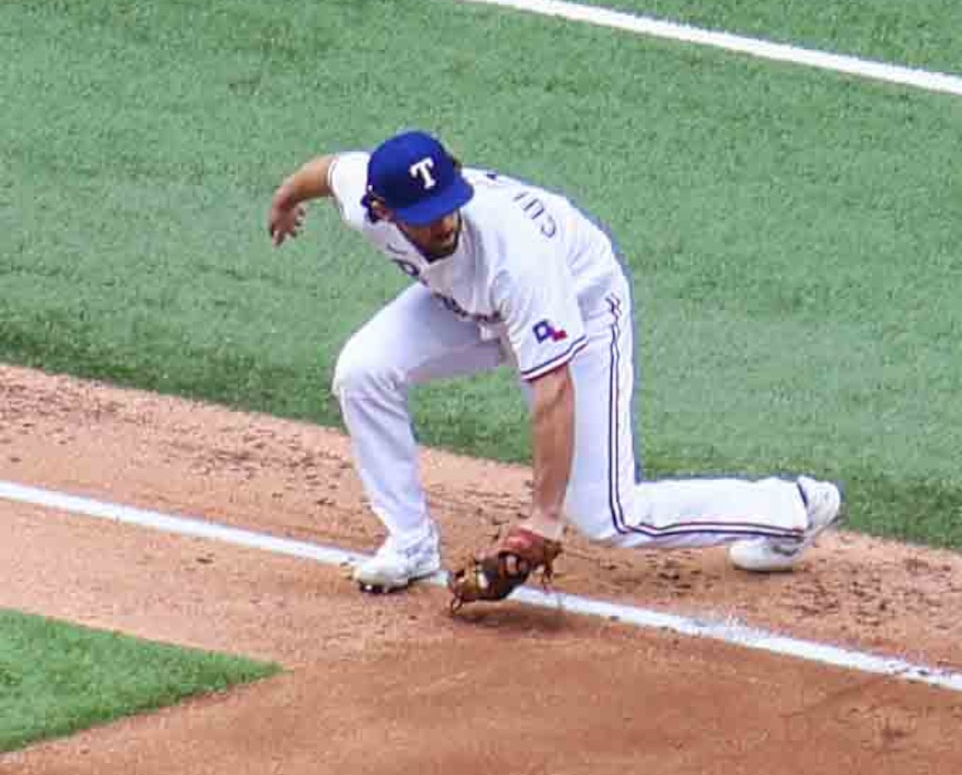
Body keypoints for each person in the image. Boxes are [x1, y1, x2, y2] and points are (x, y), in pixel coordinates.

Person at [265, 131, 843, 593]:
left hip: (581, 304)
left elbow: (551, 391)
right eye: (425, 213)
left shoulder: (515, 255)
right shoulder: (365, 201)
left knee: (607, 516)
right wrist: (287, 198)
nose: (442, 221)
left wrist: (543, 516)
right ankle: (411, 543)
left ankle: (793, 509)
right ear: (383, 208)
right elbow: (330, 168)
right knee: (363, 371)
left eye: (447, 205)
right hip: (470, 306)